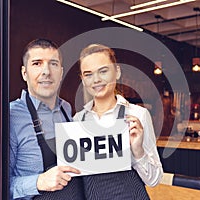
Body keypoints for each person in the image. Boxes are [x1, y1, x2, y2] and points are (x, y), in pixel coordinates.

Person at [74, 44, 163, 199]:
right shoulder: (77, 120)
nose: (96, 80)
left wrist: (138, 151)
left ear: (117, 72)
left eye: (103, 71)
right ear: (83, 80)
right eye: (88, 74)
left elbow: (154, 180)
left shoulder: (138, 115)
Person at [9, 38, 85, 199]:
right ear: (24, 73)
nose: (46, 72)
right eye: (37, 63)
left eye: (53, 64)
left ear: (61, 72)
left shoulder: (66, 109)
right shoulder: (9, 118)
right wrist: (38, 182)